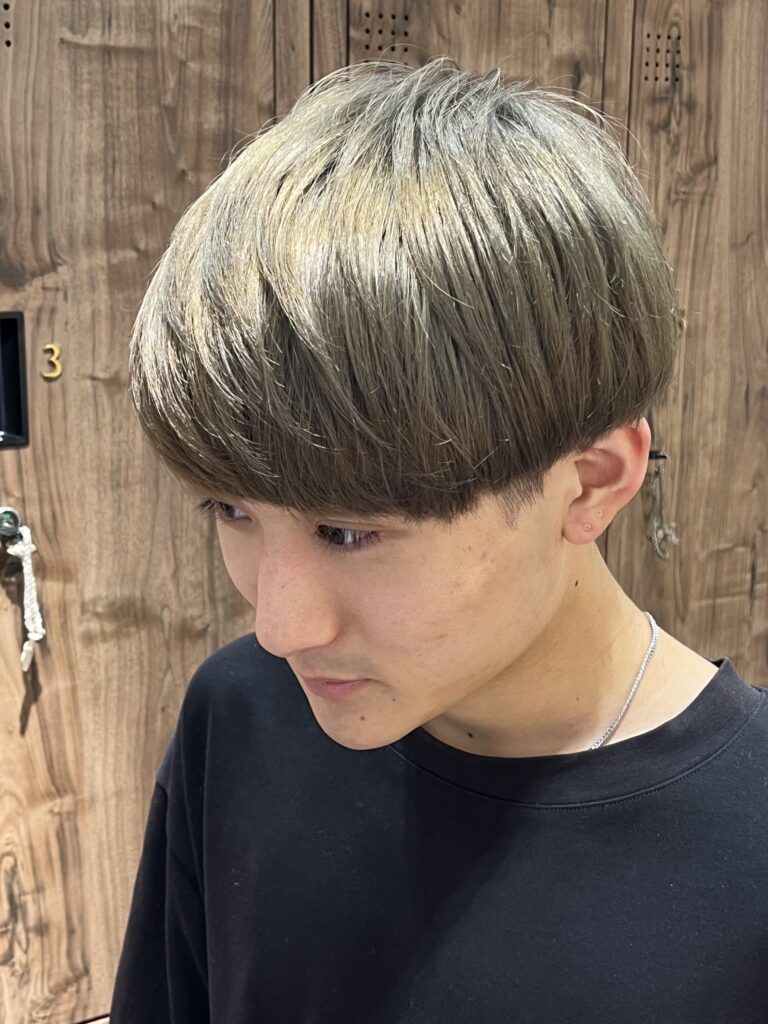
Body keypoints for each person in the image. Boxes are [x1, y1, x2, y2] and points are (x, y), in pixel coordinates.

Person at [109, 57, 768, 1023]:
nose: (281, 626)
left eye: (347, 532)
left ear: (591, 482)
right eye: (231, 511)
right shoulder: (241, 719)